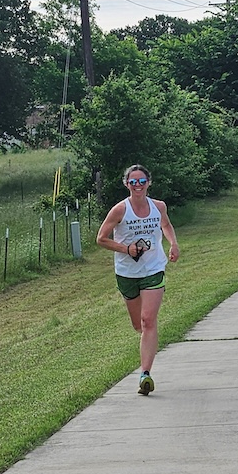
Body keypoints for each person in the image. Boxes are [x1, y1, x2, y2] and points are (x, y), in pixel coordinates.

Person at [96, 164, 179, 395]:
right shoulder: (119, 210)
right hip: (127, 273)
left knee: (148, 321)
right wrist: (126, 249)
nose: (138, 186)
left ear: (149, 183)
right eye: (133, 182)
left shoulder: (159, 207)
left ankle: (145, 374)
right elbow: (101, 239)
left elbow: (166, 225)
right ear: (127, 185)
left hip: (153, 269)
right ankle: (145, 354)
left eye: (142, 181)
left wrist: (173, 243)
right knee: (137, 325)